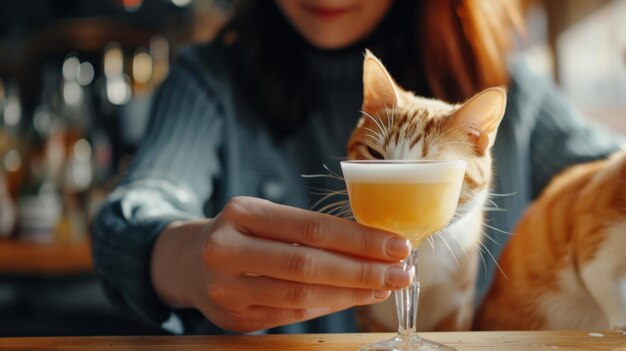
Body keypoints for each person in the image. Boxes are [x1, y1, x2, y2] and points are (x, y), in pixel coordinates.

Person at [91, 0, 624, 335]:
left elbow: (612, 174)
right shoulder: (209, 80)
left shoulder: (506, 87)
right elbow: (131, 213)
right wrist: (187, 259)